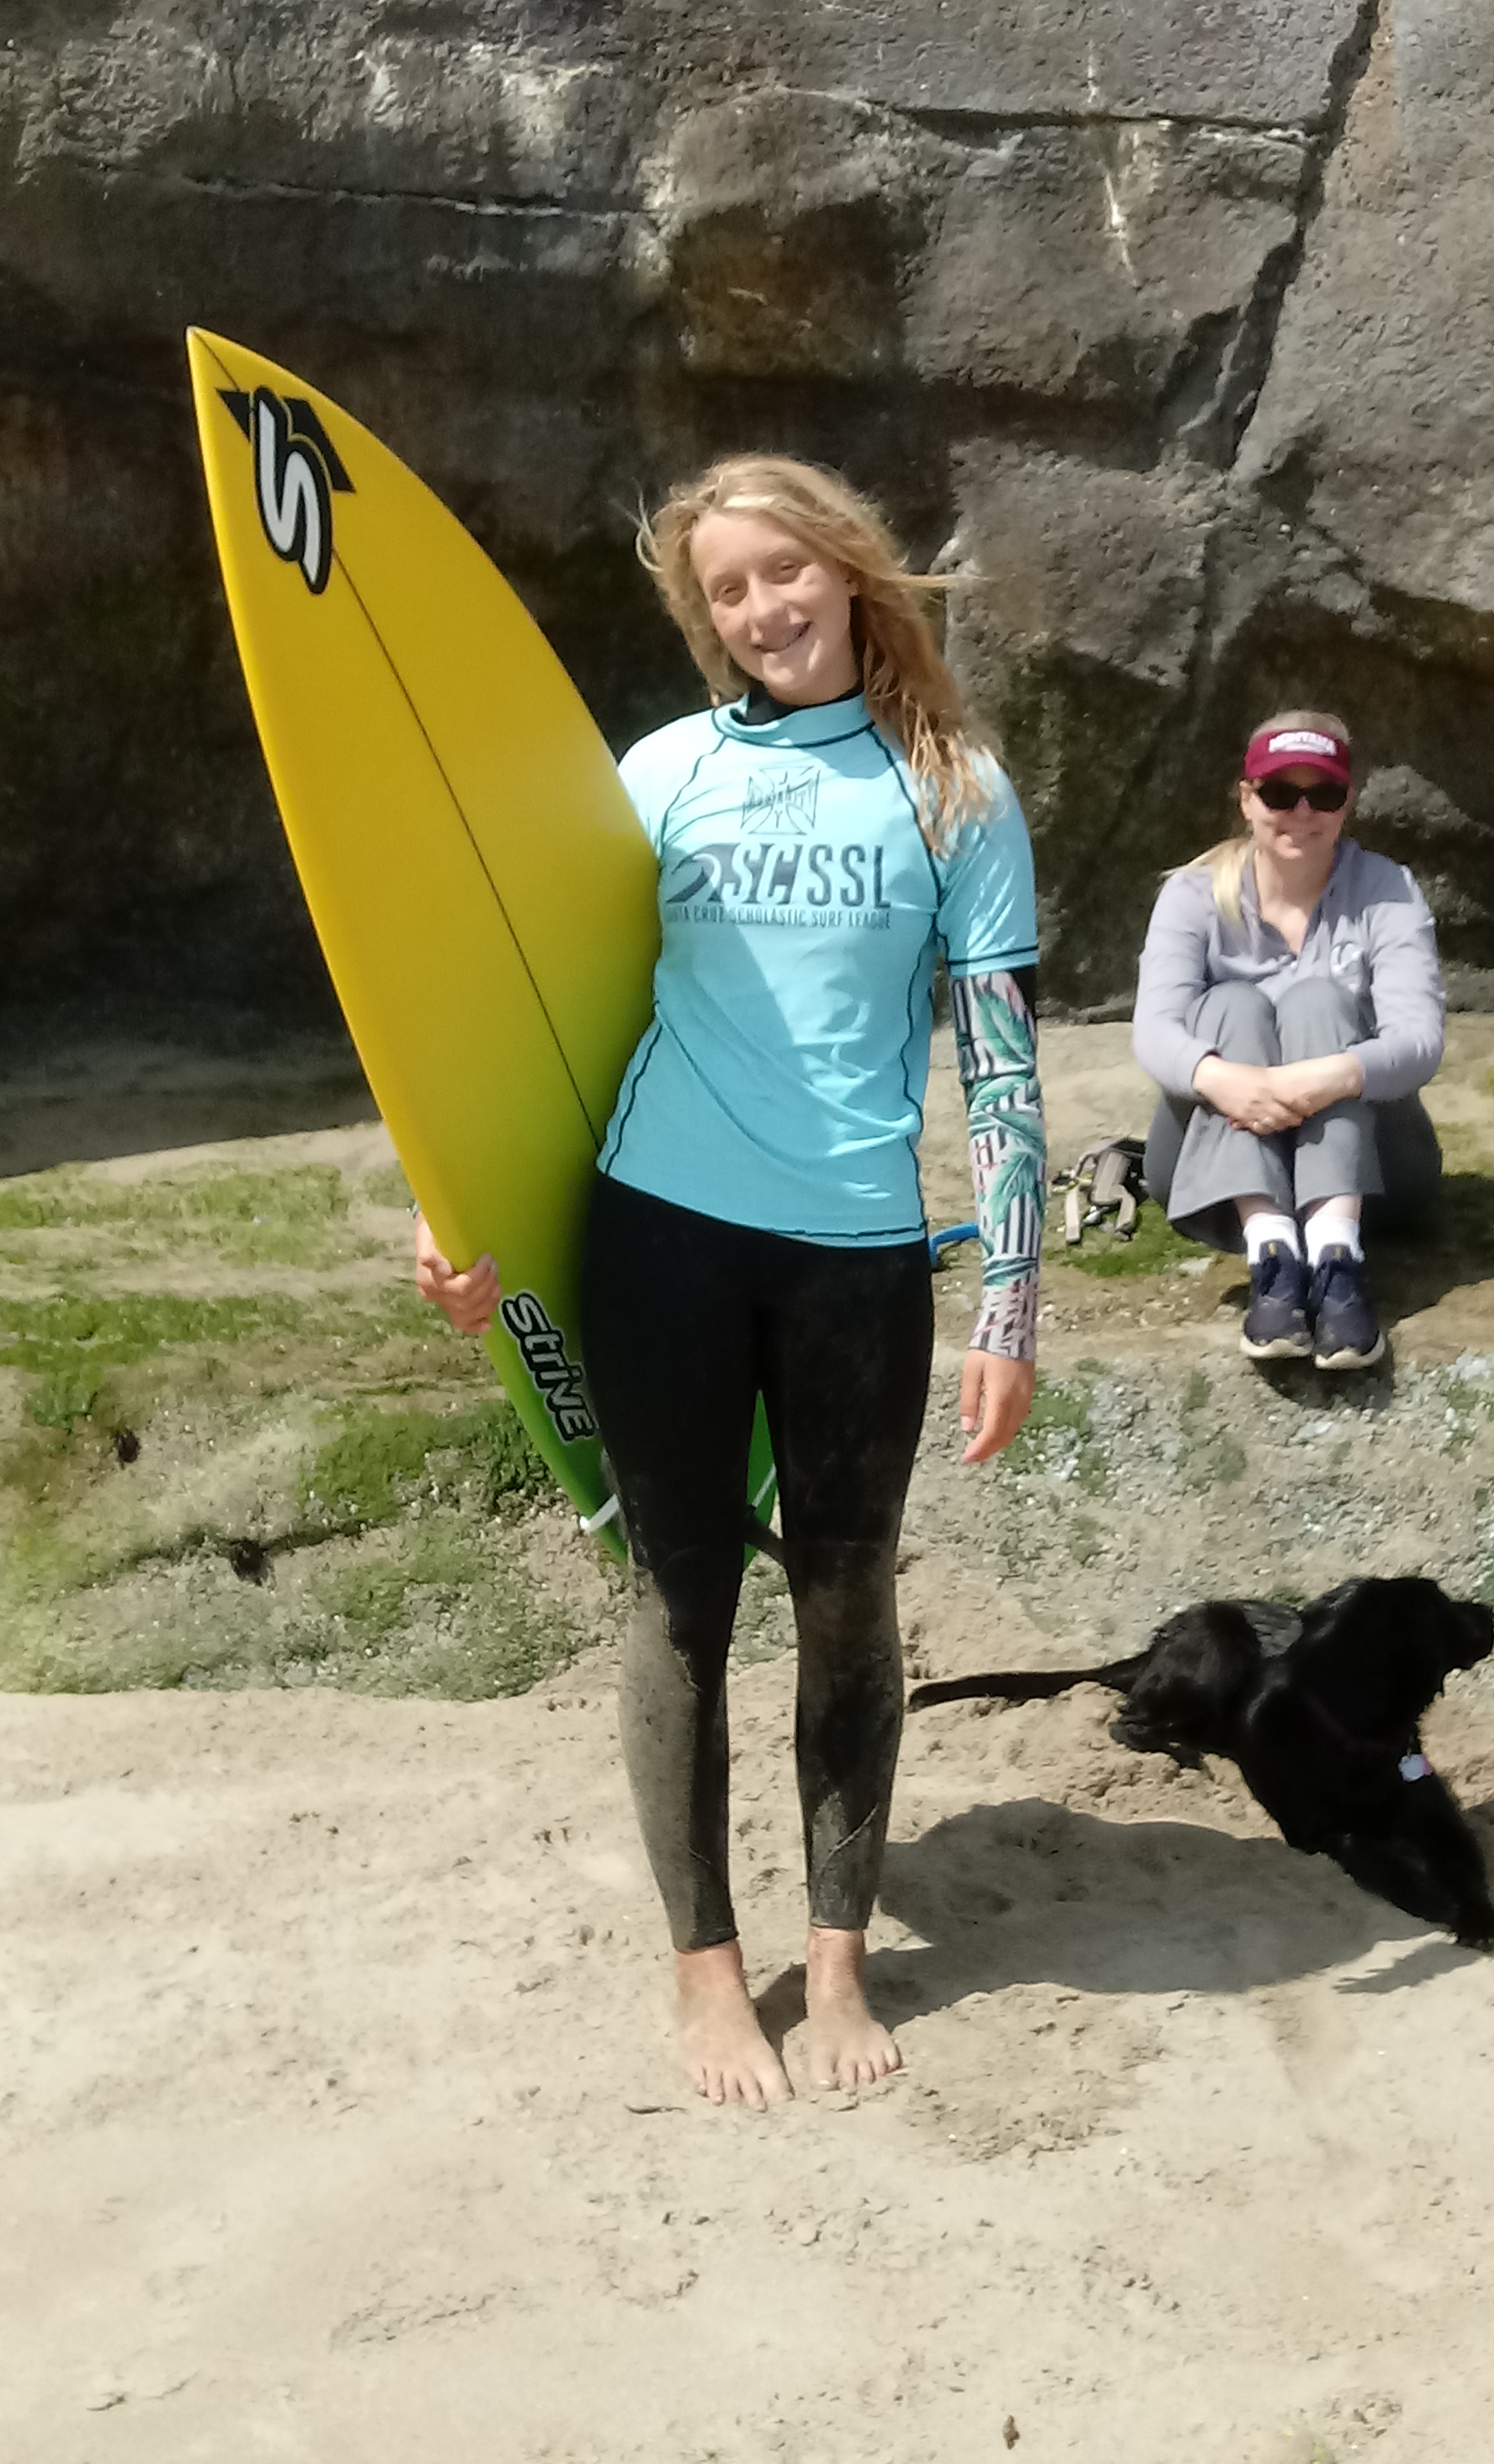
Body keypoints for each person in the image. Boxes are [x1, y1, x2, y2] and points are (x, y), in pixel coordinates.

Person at [415, 456, 1045, 2110]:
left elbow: (1000, 1065)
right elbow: (528, 1016)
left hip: (855, 1259)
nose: (762, 608)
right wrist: (453, 1214)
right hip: (661, 1231)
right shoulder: (664, 772)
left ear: (850, 570)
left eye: (785, 571)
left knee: (847, 1599)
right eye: (727, 590)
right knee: (680, 1602)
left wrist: (1011, 1305)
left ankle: (834, 1962)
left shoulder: (955, 788)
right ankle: (706, 1973)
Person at [1133, 710, 1443, 1371]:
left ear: (1347, 802)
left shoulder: (1387, 889)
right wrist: (1225, 1080)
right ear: (1246, 799)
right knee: (1232, 1004)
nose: (1302, 812)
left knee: (1320, 1000)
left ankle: (1336, 1260)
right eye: (1280, 793)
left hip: (1377, 1177)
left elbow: (1420, 1040)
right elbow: (1154, 1031)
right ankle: (1272, 1257)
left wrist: (1325, 1077)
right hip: (1212, 1176)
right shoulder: (1192, 895)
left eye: (1323, 794)